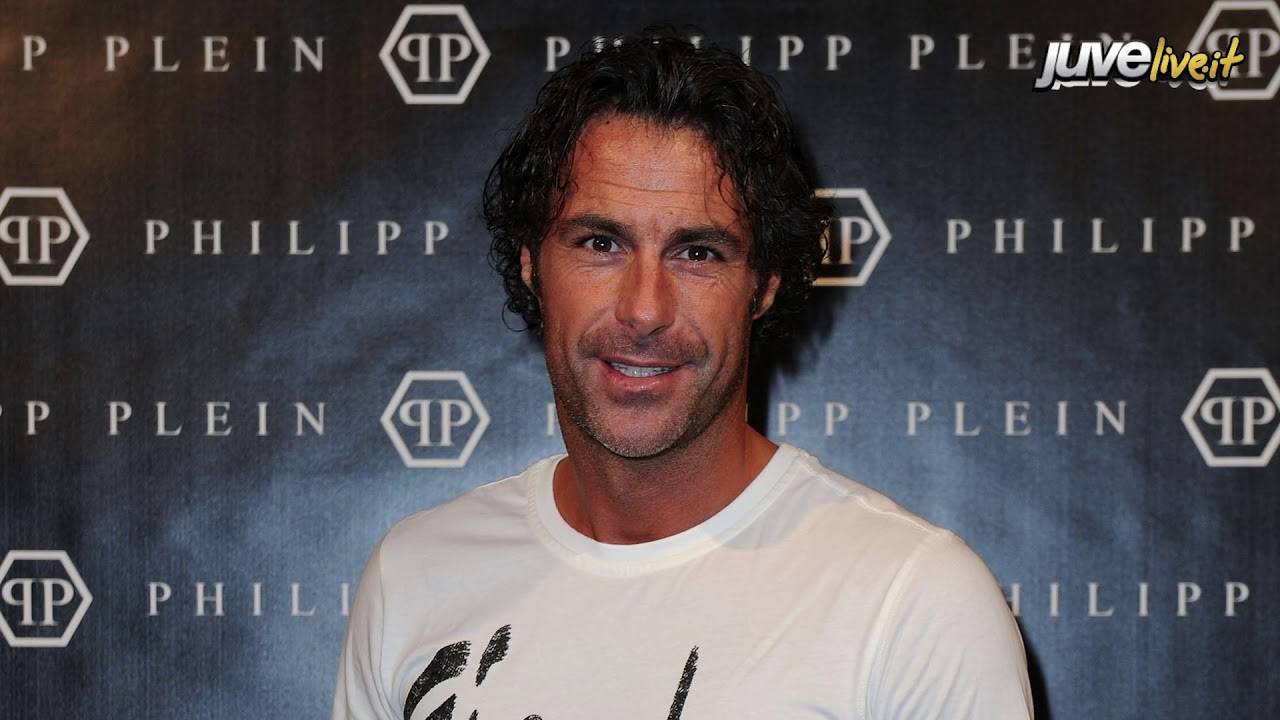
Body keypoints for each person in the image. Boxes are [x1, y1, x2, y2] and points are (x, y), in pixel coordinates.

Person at [332, 29, 1033, 720]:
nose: (644, 309)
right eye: (600, 243)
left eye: (697, 253)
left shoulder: (912, 603)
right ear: (531, 265)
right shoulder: (414, 576)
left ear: (763, 286)